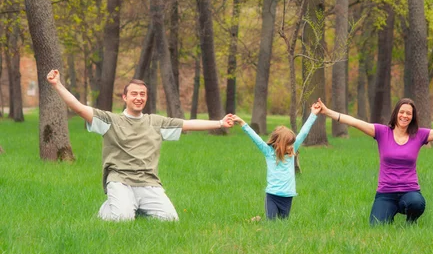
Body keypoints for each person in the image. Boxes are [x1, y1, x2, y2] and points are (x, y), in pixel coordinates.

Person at [46, 69, 234, 222]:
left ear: (146, 98)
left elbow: (188, 124)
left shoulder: (156, 122)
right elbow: (79, 108)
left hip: (148, 182)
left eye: (142, 94)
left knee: (170, 220)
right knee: (122, 219)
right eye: (134, 94)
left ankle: (134, 206)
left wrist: (219, 123)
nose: (138, 97)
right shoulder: (111, 121)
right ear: (125, 97)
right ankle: (111, 207)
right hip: (120, 180)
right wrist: (58, 85)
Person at [317, 97, 433, 225]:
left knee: (417, 203)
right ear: (396, 114)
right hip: (386, 193)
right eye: (402, 112)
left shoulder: (420, 135)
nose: (405, 116)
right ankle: (389, 213)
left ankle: (410, 221)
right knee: (376, 227)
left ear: (412, 117)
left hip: (409, 191)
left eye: (409, 113)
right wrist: (327, 112)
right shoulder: (381, 132)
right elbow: (354, 122)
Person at [231, 102, 321, 220]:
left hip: (288, 196)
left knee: (283, 225)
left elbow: (303, 132)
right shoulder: (268, 152)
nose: (291, 146)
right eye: (289, 144)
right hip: (272, 196)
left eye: (292, 144)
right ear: (280, 144)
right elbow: (255, 138)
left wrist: (313, 114)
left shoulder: (292, 150)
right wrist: (242, 123)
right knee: (272, 223)